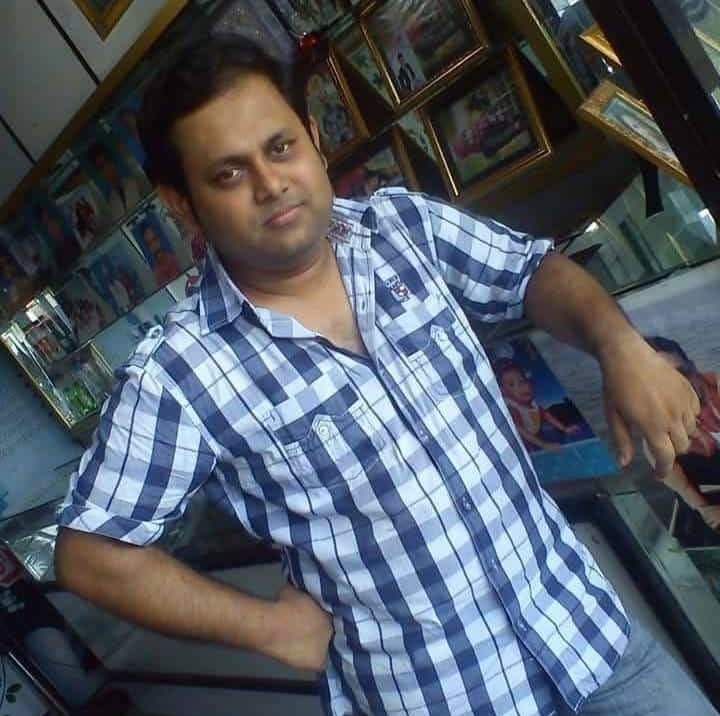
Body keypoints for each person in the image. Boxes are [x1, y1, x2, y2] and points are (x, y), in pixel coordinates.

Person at [55, 35, 717, 716]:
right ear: (182, 205)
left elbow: (530, 272)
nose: (270, 183)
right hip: (444, 700)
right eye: (228, 174)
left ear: (313, 139)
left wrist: (619, 345)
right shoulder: (181, 372)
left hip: (590, 640)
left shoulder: (402, 228)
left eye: (280, 147)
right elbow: (90, 554)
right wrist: (268, 628)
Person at [646, 336, 720, 531]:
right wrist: (706, 510)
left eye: (681, 373)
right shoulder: (658, 435)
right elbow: (687, 491)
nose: (679, 387)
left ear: (693, 367)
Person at [495, 358, 580, 452]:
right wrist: (543, 445)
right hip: (520, 443)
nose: (522, 386)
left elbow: (547, 416)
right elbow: (520, 430)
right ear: (504, 392)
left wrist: (564, 428)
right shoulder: (513, 408)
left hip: (533, 437)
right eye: (512, 384)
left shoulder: (533, 405)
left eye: (522, 380)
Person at [86, 142, 151, 224]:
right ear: (100, 173)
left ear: (113, 161)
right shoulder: (111, 203)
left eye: (107, 161)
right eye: (101, 166)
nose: (107, 168)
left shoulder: (136, 181)